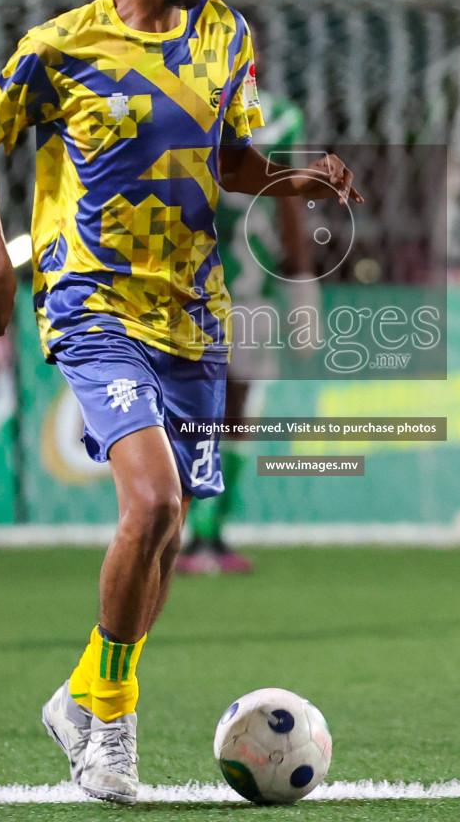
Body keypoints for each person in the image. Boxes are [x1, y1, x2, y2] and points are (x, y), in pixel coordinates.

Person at [0, 0, 360, 804]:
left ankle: (83, 692)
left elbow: (228, 160)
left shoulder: (226, 35)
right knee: (153, 503)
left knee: (171, 531)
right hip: (92, 304)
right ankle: (113, 734)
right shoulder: (60, 47)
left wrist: (296, 177)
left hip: (194, 313)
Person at [176, 92, 314, 575]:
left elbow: (290, 204)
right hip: (185, 285)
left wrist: (302, 290)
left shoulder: (278, 118)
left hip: (247, 290)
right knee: (192, 408)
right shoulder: (177, 103)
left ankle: (209, 533)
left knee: (234, 407)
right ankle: (182, 531)